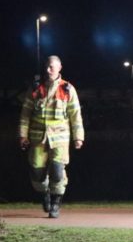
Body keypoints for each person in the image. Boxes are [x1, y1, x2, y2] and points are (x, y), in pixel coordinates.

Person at [18, 55, 84, 218]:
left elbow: (75, 115)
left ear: (59, 68)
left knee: (57, 171)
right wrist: (22, 135)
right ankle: (45, 194)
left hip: (60, 139)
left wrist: (78, 137)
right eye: (46, 67)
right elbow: (25, 114)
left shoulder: (68, 89)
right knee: (36, 172)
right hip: (38, 138)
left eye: (51, 67)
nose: (48, 70)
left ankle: (55, 203)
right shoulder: (36, 89)